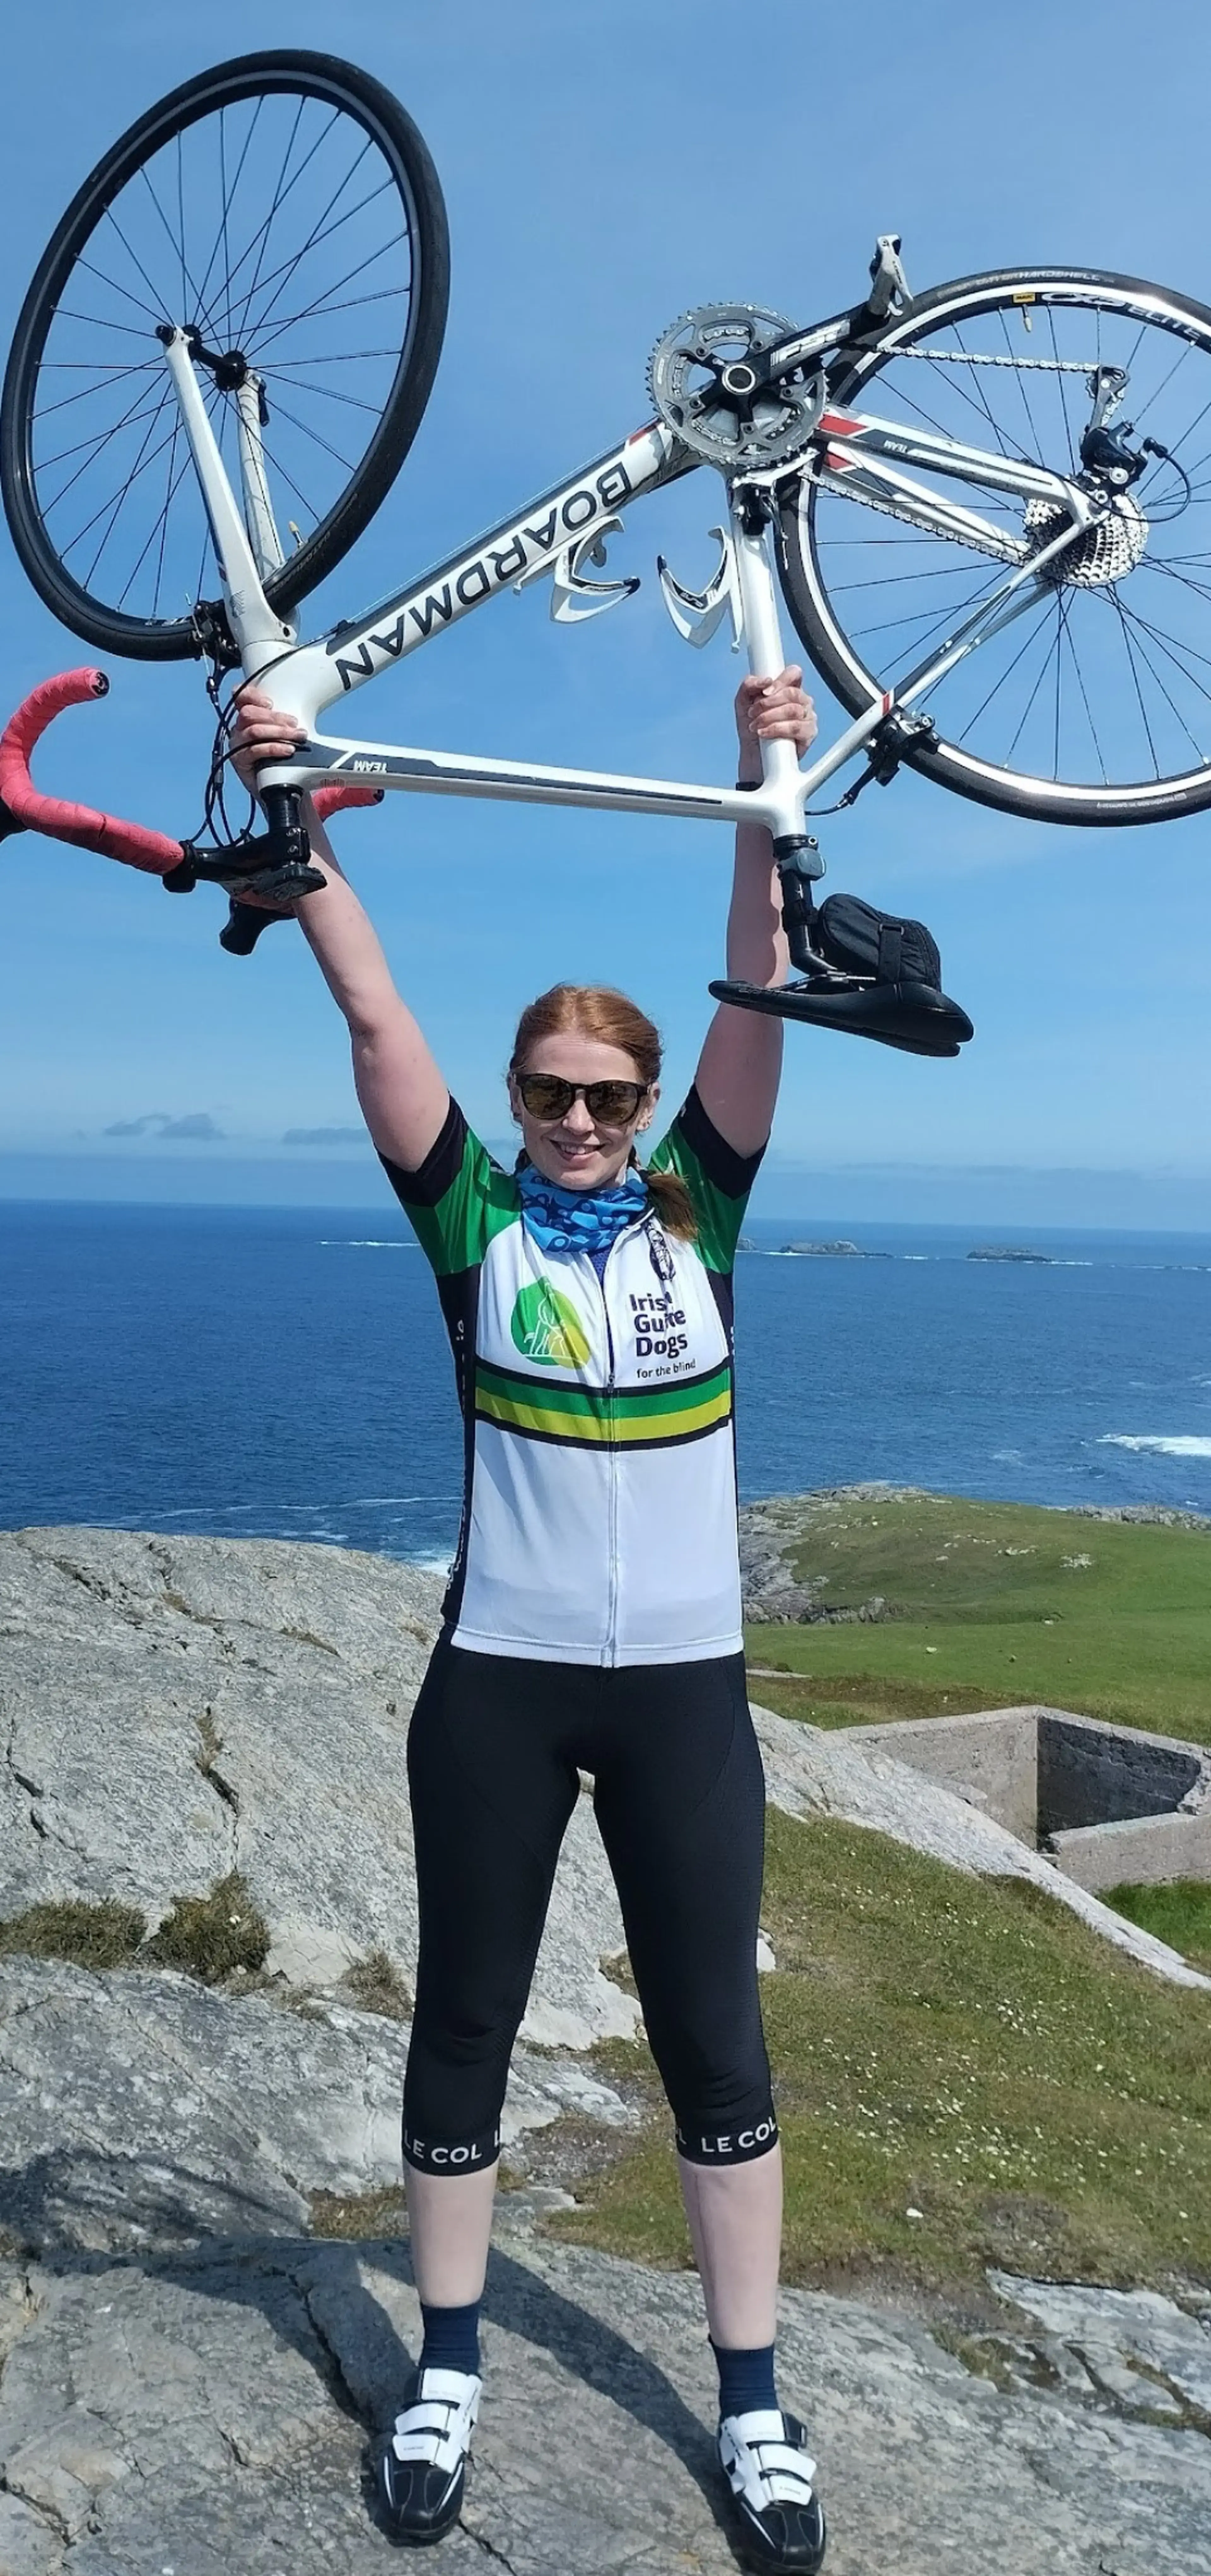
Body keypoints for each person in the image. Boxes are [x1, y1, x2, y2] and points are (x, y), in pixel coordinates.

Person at [232, 668, 826, 2573]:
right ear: (521, 1104)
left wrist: (768, 771)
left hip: (683, 1700)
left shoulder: (700, 1220)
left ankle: (754, 2406)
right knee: (466, 2028)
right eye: (554, 1094)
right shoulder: (470, 1223)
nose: (581, 1118)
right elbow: (372, 1008)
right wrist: (296, 821)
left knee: (718, 2049)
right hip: (495, 1689)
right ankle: (450, 2369)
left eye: (609, 1096)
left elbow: (759, 988)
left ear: (649, 1106)